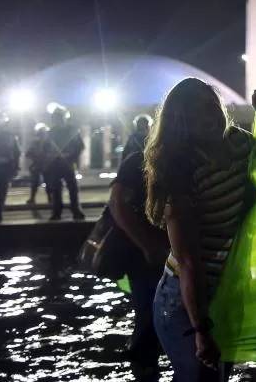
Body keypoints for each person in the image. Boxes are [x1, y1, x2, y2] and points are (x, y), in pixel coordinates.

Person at [146, 78, 256, 381]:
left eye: (212, 106)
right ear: (182, 122)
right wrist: (201, 328)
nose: (211, 117)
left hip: (225, 289)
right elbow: (188, 261)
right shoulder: (181, 170)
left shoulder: (239, 142)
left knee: (218, 377)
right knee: (199, 377)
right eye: (197, 113)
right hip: (185, 299)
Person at [109, 149, 169, 381]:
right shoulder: (140, 159)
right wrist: (147, 246)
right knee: (148, 317)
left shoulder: (142, 158)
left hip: (159, 252)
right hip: (146, 256)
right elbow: (116, 202)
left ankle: (146, 366)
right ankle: (145, 366)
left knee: (150, 316)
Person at [44, 106, 86, 221]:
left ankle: (64, 212)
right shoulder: (57, 131)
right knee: (62, 188)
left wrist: (70, 156)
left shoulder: (54, 131)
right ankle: (69, 211)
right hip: (61, 162)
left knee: (68, 188)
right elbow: (80, 146)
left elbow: (80, 146)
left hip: (63, 162)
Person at [25, 123, 51, 205]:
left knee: (48, 182)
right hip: (39, 164)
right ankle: (33, 198)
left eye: (42, 133)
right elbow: (28, 153)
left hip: (45, 165)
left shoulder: (49, 143)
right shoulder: (36, 143)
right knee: (35, 183)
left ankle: (50, 198)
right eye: (40, 134)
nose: (41, 135)